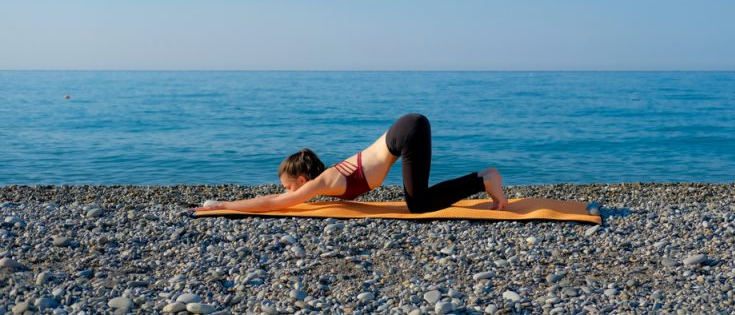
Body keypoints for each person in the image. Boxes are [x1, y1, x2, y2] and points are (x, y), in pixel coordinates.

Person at [190, 113, 507, 214]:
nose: (284, 190)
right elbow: (279, 196)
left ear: (301, 180)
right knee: (417, 199)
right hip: (406, 129)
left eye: (287, 185)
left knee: (418, 204)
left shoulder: (322, 182)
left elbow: (274, 202)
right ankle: (483, 178)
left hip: (407, 132)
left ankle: (484, 178)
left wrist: (225, 204)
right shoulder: (328, 179)